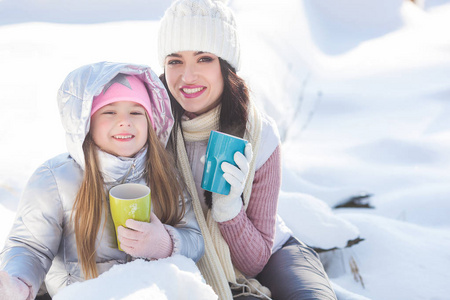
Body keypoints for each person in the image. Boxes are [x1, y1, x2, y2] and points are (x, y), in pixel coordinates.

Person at [157, 0, 338, 299]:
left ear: (225, 66)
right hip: (184, 254)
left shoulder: (258, 133)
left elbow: (255, 261)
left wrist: (228, 207)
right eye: (175, 61)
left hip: (269, 251)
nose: (187, 77)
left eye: (203, 58)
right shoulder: (150, 125)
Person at [0, 62, 204, 300]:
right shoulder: (55, 179)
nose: (125, 121)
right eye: (110, 112)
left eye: (136, 112)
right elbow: (30, 247)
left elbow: (195, 239)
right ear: (86, 122)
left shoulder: (165, 175)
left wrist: (165, 243)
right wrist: (19, 284)